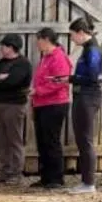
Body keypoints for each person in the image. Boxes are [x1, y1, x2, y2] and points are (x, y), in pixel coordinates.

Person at [52, 16, 102, 194]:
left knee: (85, 140)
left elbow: (93, 76)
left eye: (73, 34)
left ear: (81, 33)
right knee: (82, 139)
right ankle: (86, 181)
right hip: (83, 96)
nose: (72, 39)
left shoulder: (93, 50)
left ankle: (89, 183)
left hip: (88, 97)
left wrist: (71, 78)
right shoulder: (88, 49)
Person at [0, 34, 33, 184]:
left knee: (14, 139)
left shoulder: (23, 64)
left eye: (4, 46)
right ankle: (5, 171)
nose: (1, 49)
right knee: (1, 139)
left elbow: (13, 82)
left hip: (14, 105)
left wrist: (0, 79)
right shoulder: (2, 62)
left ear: (12, 47)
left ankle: (16, 173)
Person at [30, 28, 73, 189]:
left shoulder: (58, 57)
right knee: (42, 141)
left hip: (54, 103)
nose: (37, 43)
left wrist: (38, 90)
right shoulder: (46, 58)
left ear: (46, 39)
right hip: (41, 103)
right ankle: (46, 176)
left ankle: (56, 178)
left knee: (51, 140)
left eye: (39, 40)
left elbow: (59, 81)